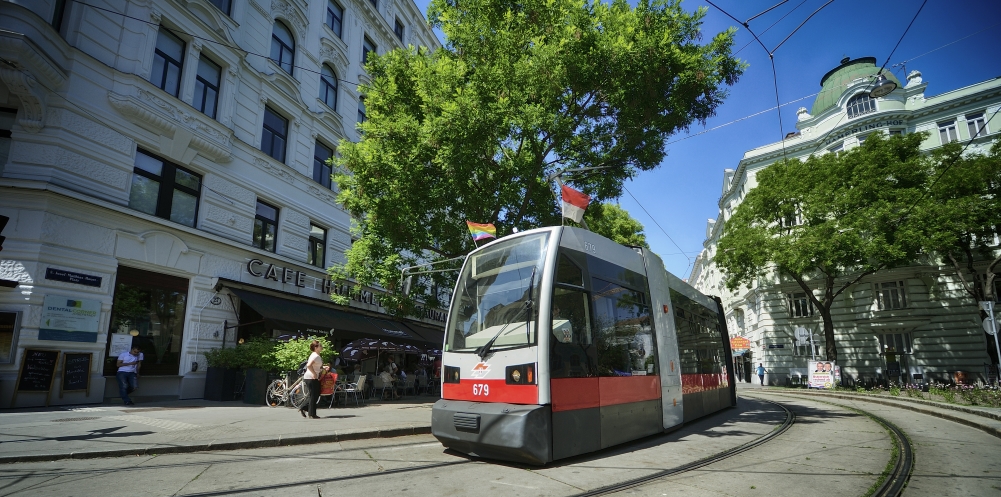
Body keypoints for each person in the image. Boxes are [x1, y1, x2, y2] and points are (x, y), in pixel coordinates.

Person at [300, 340, 323, 419]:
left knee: (315, 394)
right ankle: (311, 413)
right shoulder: (315, 356)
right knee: (314, 395)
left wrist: (322, 368)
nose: (321, 347)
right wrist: (314, 373)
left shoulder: (315, 355)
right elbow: (309, 365)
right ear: (316, 347)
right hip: (311, 377)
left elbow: (315, 366)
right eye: (320, 346)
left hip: (312, 377)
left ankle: (306, 409)